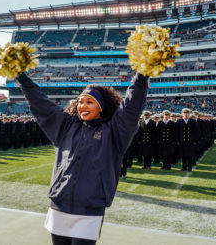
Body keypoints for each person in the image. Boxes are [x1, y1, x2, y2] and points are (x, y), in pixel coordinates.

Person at [16, 71, 148, 245]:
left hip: (89, 211)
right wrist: (22, 78)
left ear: (101, 106)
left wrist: (142, 75)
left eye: (89, 102)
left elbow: (131, 106)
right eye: (80, 102)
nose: (82, 106)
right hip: (59, 206)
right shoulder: (66, 126)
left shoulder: (115, 131)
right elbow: (41, 104)